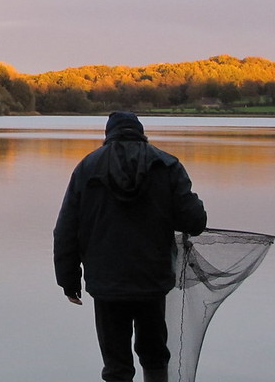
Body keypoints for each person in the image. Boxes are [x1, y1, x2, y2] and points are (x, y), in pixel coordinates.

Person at [53, 112, 207, 382]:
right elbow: (194, 221)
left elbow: (66, 230)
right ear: (141, 133)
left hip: (107, 284)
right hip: (152, 281)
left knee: (116, 366)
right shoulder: (168, 165)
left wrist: (69, 281)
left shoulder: (87, 168)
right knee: (155, 356)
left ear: (108, 135)